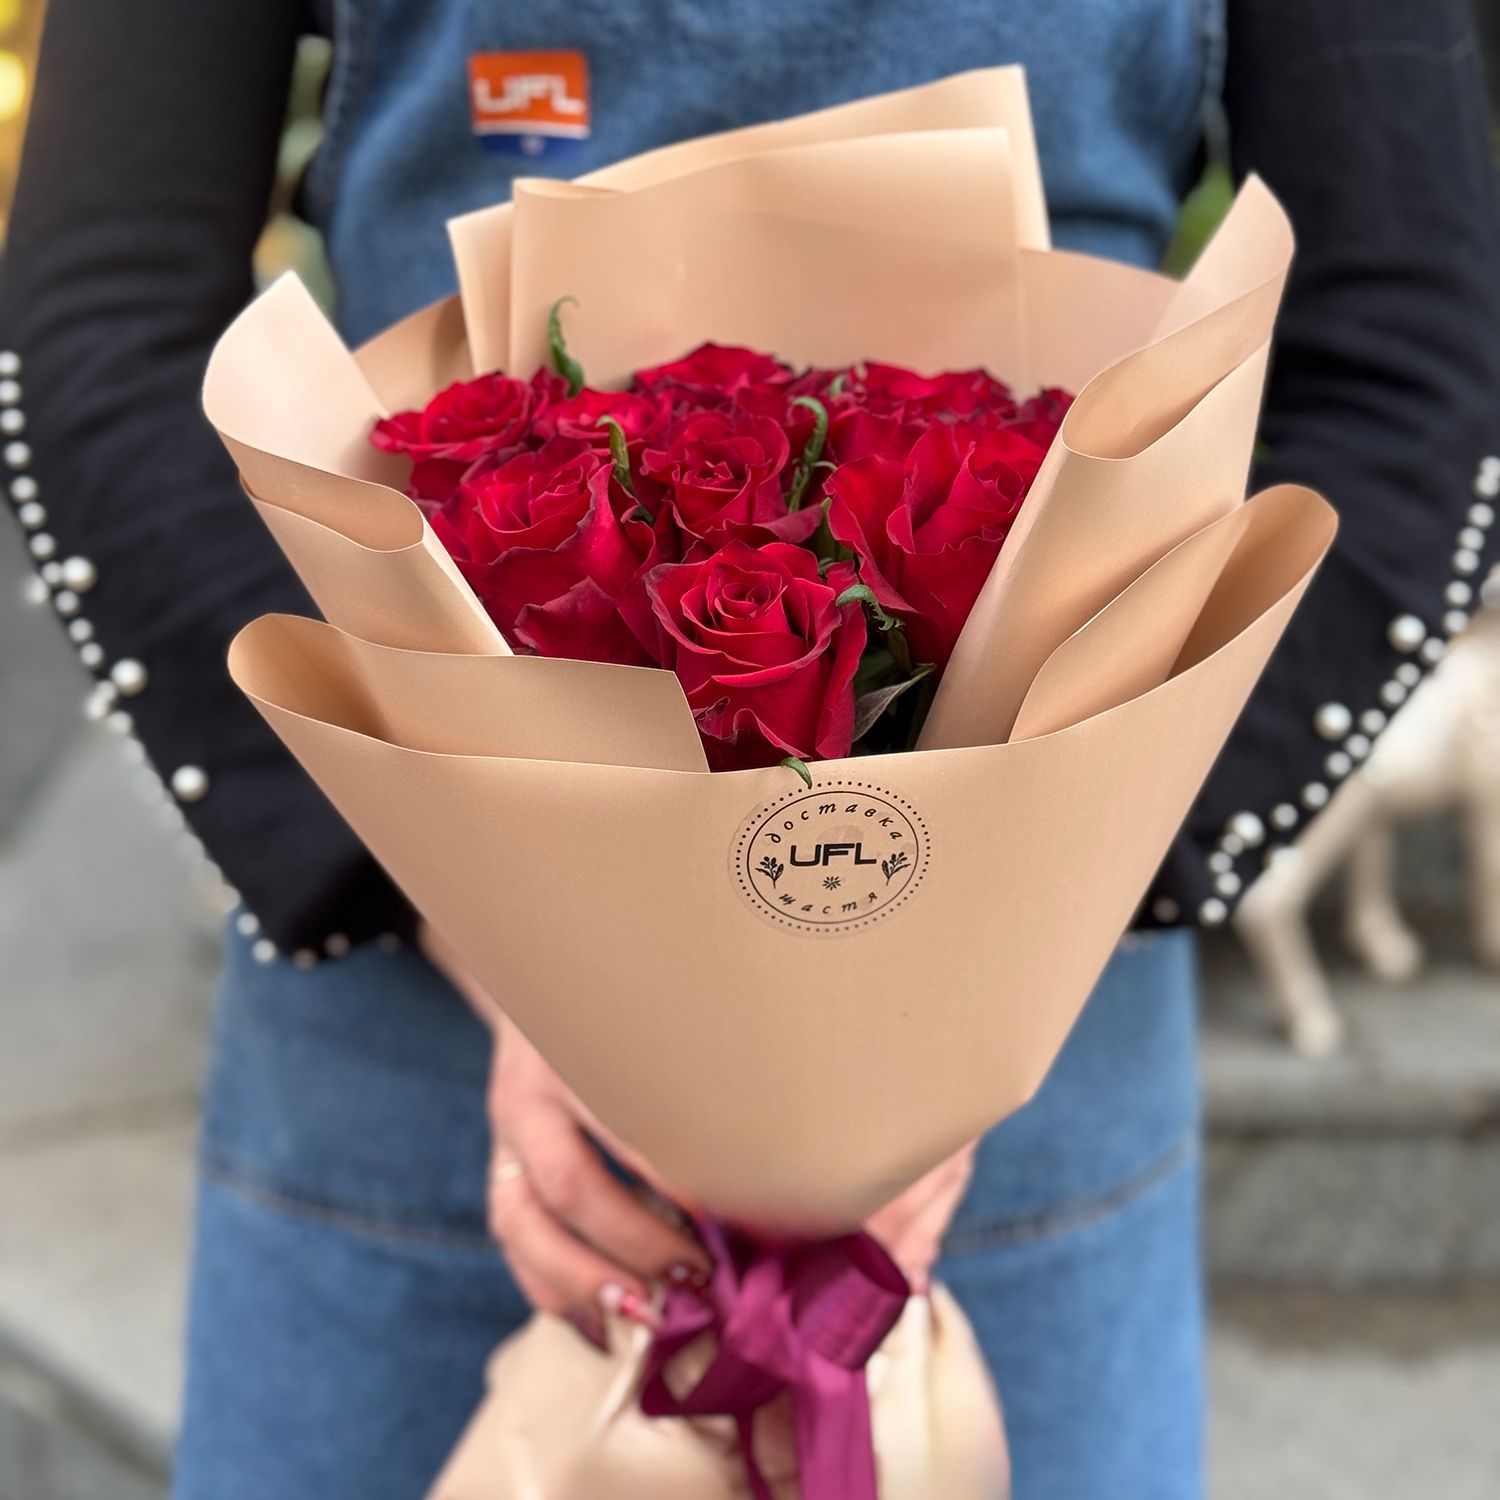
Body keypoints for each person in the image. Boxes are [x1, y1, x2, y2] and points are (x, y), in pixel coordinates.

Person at [3, 2, 1497, 1497]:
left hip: (1021, 1081)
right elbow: (103, 321)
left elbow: (1417, 354)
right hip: (426, 1058)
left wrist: (1039, 894)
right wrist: (504, 935)